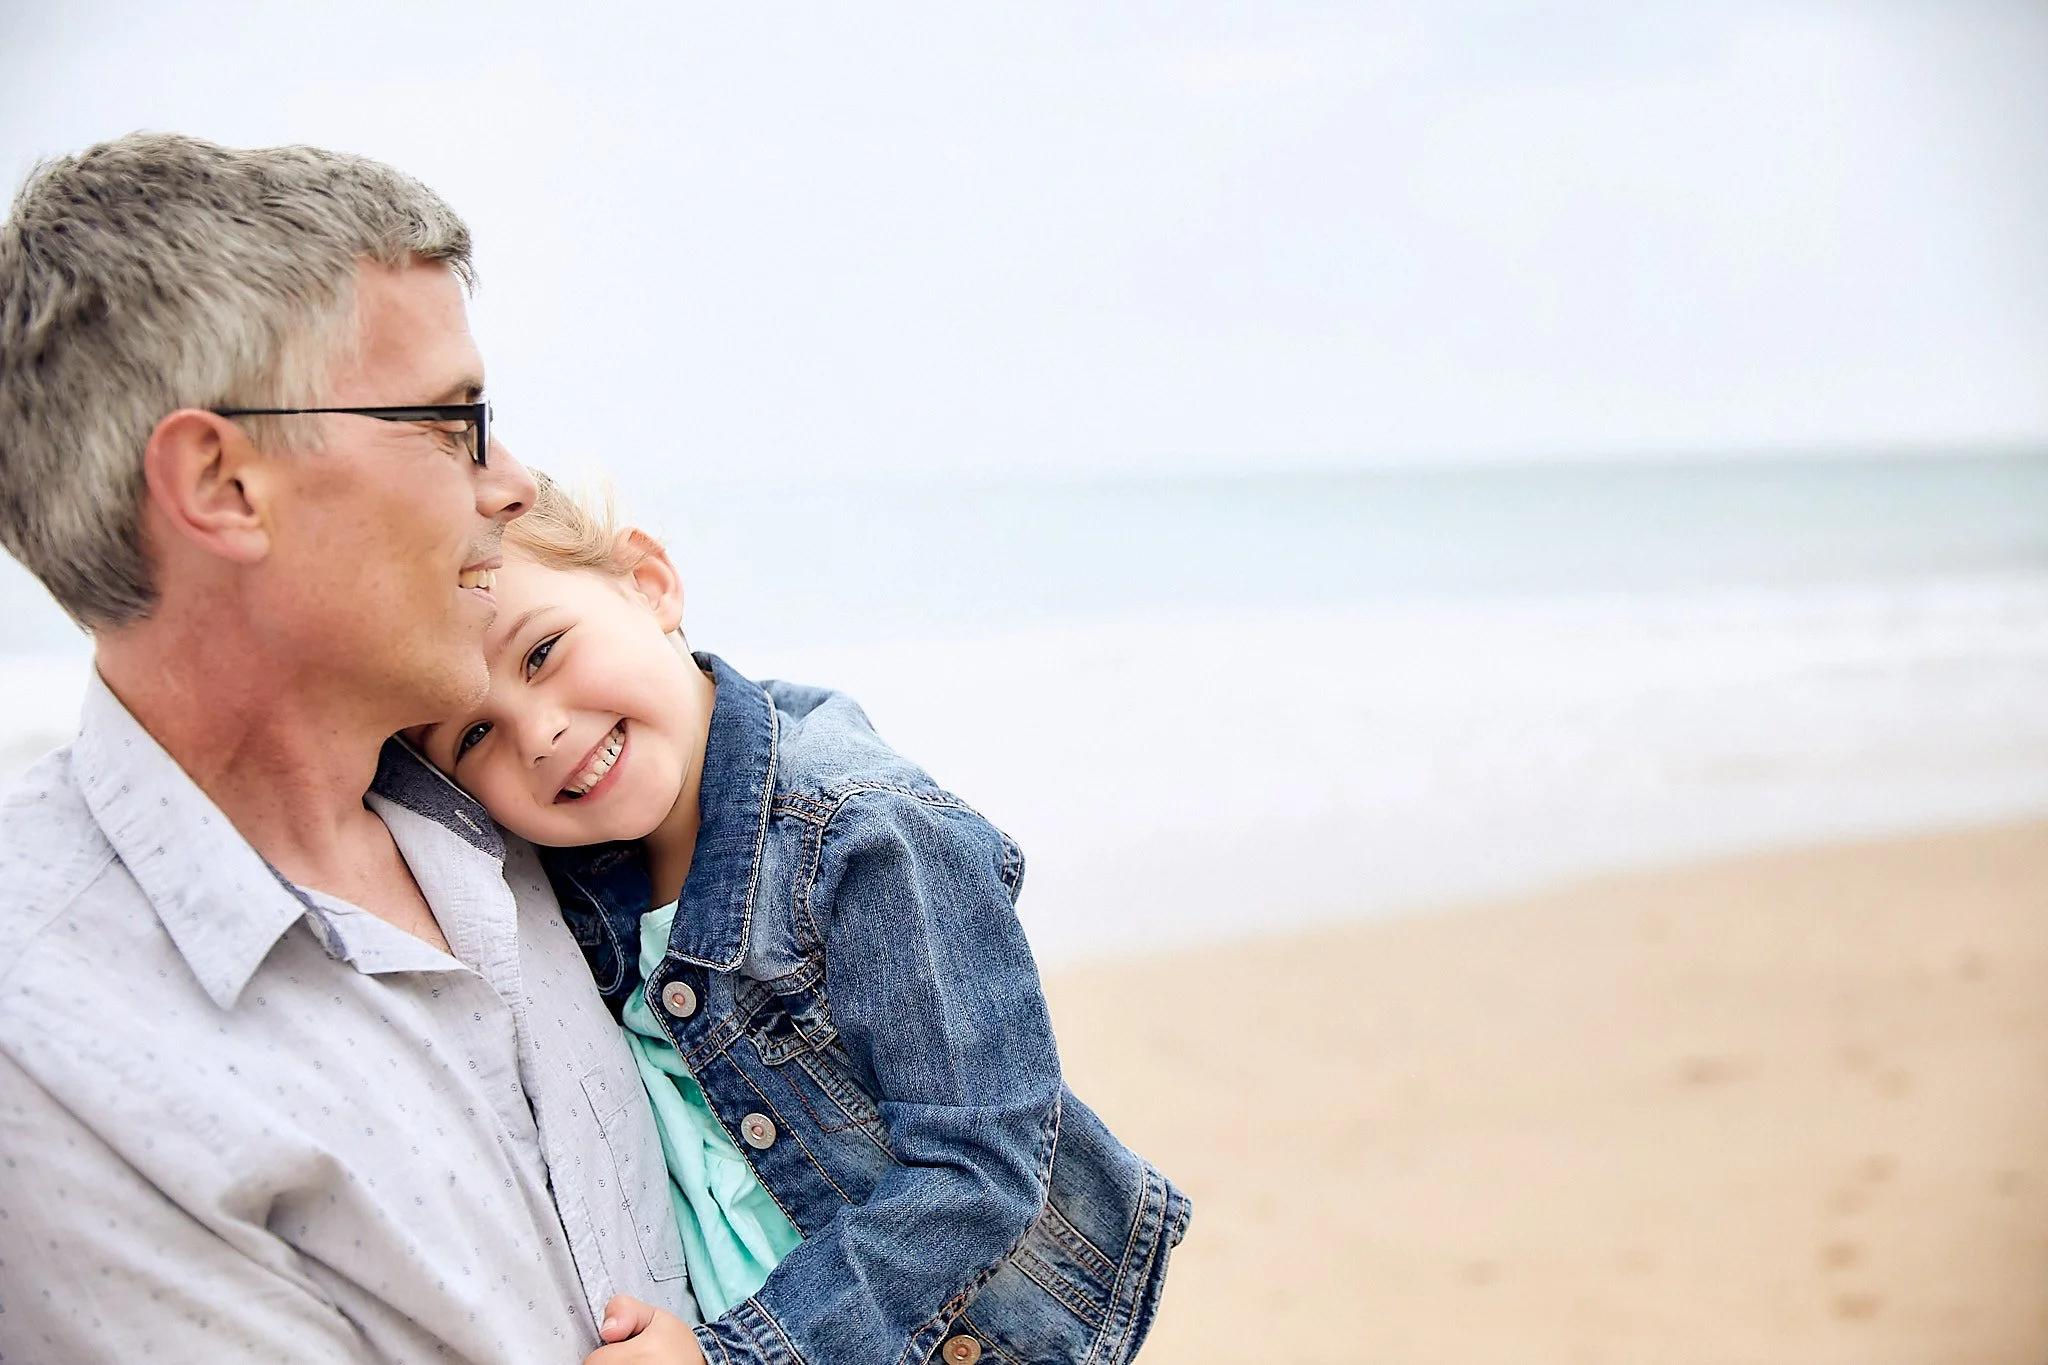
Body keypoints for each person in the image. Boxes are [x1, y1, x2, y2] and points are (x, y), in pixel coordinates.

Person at [0, 134, 693, 1362]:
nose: (509, 486)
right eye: (447, 423)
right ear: (222, 484)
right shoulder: (48, 1044)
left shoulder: (531, 800)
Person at [404, 474, 1191, 1365]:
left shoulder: (867, 836)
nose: (537, 733)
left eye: (541, 651)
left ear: (648, 583)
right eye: (472, 735)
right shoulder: (569, 878)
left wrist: (731, 1355)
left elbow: (984, 1166)